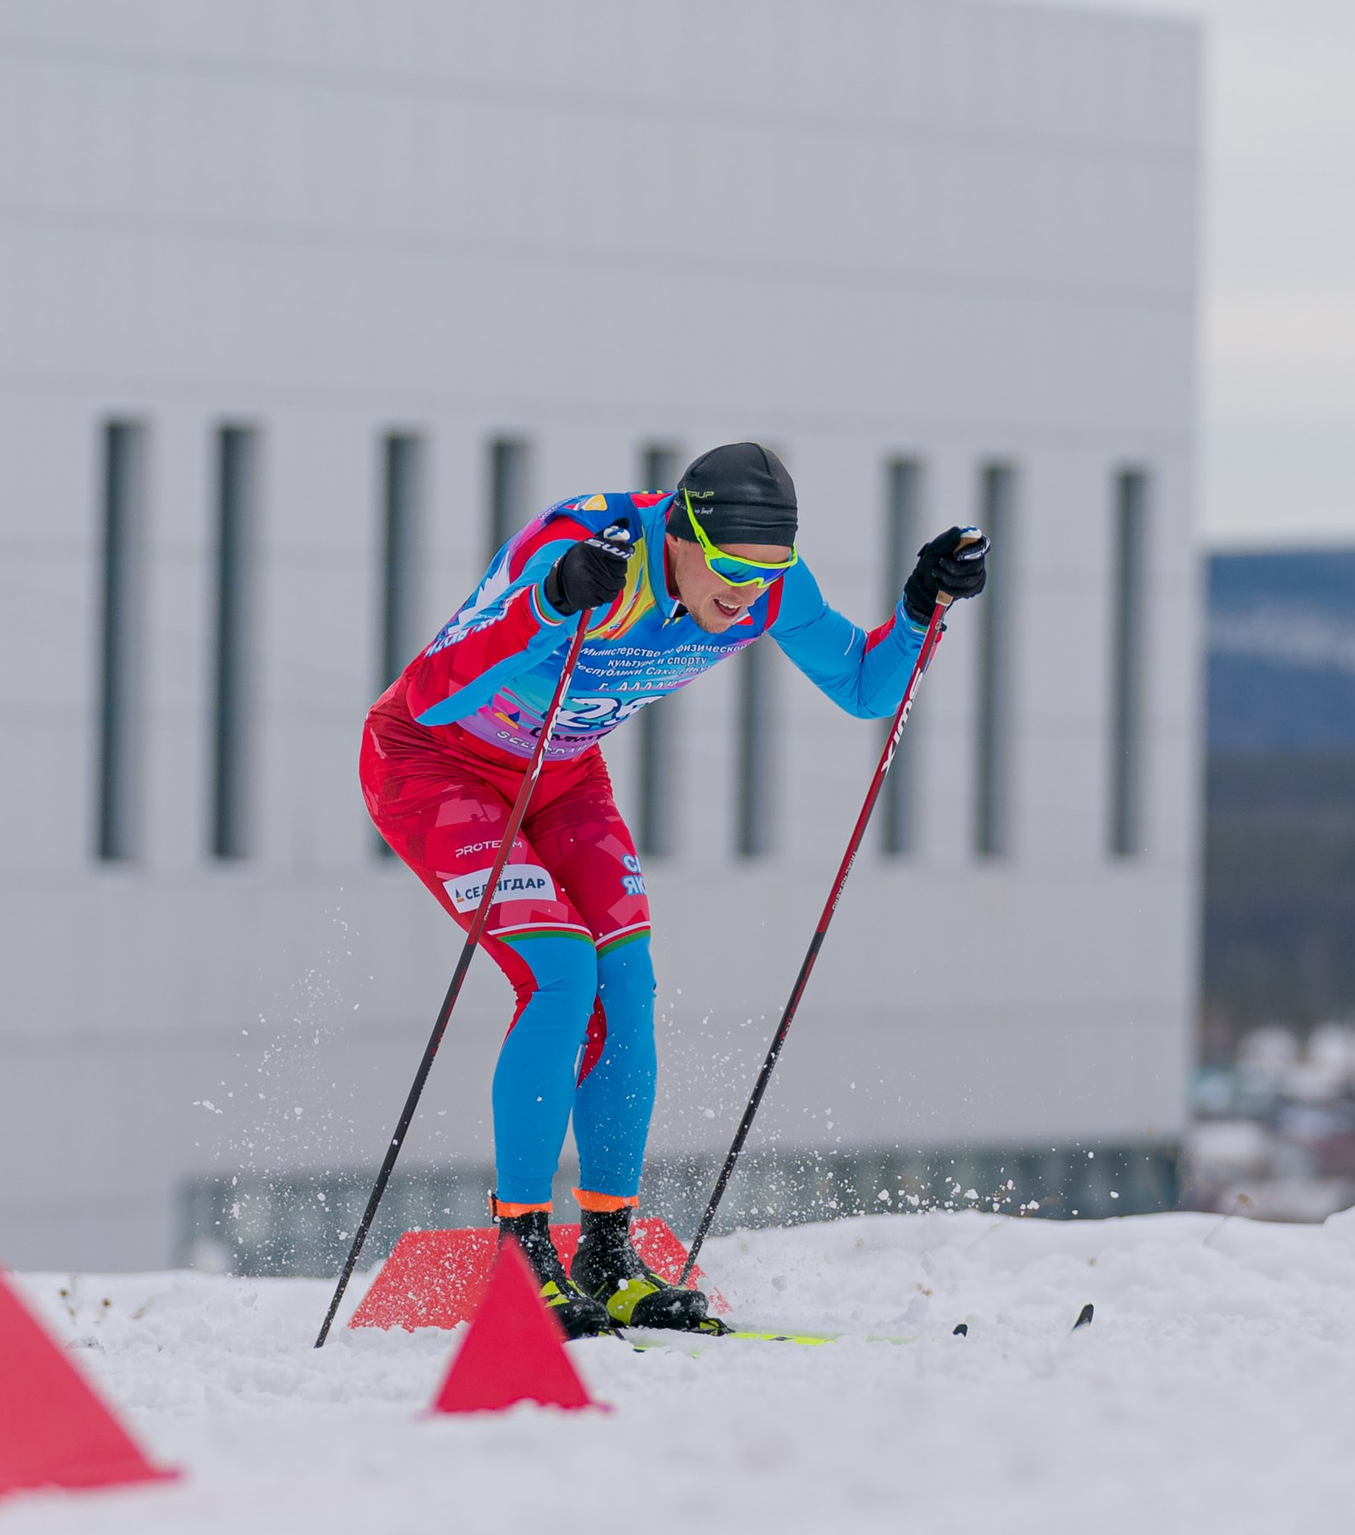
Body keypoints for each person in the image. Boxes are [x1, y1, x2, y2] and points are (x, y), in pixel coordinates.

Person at [360, 442, 988, 1335]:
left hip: (561, 774)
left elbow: (861, 686)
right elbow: (427, 695)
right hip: (432, 766)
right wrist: (548, 602)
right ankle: (520, 1247)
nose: (744, 593)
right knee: (560, 975)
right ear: (681, 535)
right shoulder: (589, 542)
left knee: (627, 985)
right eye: (729, 569)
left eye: (768, 572)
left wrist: (922, 607)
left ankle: (607, 1249)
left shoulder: (766, 585)